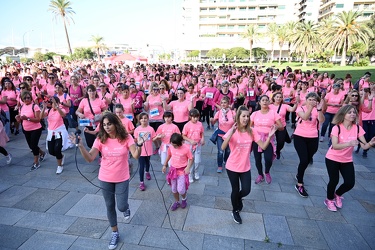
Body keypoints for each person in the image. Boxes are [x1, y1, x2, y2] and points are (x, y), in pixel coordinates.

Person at [71, 112, 148, 250]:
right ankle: (115, 232)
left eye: (109, 124)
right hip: (105, 178)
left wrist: (140, 145)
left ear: (116, 124)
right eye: (104, 125)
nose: (106, 127)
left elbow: (136, 156)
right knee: (109, 206)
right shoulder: (100, 139)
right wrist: (81, 146)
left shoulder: (126, 138)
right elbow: (90, 158)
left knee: (122, 206)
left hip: (122, 177)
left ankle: (126, 208)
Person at [221, 106, 276, 224]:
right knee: (234, 190)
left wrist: (270, 136)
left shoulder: (252, 131)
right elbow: (223, 147)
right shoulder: (233, 130)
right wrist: (231, 133)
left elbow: (263, 146)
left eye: (247, 116)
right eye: (243, 116)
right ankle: (235, 210)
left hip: (245, 166)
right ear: (238, 117)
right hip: (232, 166)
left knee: (246, 190)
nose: (246, 118)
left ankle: (238, 198)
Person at [324, 105, 375, 211]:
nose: (352, 114)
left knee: (350, 183)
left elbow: (364, 145)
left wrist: (370, 143)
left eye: (354, 112)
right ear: (343, 114)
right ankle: (329, 200)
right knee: (334, 180)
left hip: (346, 160)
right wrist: (349, 143)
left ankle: (337, 194)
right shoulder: (336, 127)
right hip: (332, 158)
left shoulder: (357, 128)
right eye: (349, 112)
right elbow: (335, 146)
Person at [294, 92, 325, 197]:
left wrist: (320, 110)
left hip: (313, 137)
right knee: (303, 160)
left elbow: (322, 120)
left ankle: (299, 173)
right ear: (306, 100)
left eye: (314, 100)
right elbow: (305, 117)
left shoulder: (318, 110)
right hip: (300, 136)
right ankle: (299, 184)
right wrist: (311, 108)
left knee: (307, 159)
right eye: (310, 99)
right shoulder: (300, 108)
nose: (312, 101)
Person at [250, 95, 283, 184]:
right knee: (257, 159)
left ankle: (267, 172)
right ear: (259, 102)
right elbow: (249, 126)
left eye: (266, 100)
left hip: (269, 139)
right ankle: (260, 174)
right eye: (263, 100)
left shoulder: (273, 113)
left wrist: (276, 126)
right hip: (257, 139)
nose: (264, 102)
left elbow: (281, 127)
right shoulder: (255, 114)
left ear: (269, 102)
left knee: (268, 159)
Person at [16, 91, 46, 171]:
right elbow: (21, 120)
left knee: (33, 145)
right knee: (31, 146)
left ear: (31, 98)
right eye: (24, 98)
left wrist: (28, 118)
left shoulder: (35, 106)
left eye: (28, 98)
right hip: (26, 129)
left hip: (36, 129)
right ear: (22, 99)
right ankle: (42, 153)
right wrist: (18, 119)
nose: (26, 99)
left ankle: (36, 162)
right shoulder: (21, 107)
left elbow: (38, 119)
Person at [162, 133, 193, 211]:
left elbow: (191, 158)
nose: (174, 147)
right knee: (174, 189)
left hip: (182, 171)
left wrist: (188, 167)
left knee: (181, 189)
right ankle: (176, 201)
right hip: (173, 170)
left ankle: (184, 199)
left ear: (181, 143)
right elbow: (169, 155)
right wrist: (165, 165)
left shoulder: (186, 148)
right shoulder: (171, 147)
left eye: (175, 145)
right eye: (173, 145)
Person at [40, 96, 68, 174]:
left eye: (55, 103)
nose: (53, 105)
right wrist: (43, 108)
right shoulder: (49, 111)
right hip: (51, 133)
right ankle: (61, 156)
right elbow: (41, 117)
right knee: (51, 151)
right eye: (52, 103)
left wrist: (57, 106)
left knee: (57, 149)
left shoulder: (61, 109)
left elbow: (63, 115)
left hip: (59, 133)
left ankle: (59, 166)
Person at [133, 112, 161, 191]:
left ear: (148, 119)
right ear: (139, 120)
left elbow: (153, 138)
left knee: (147, 162)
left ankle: (147, 172)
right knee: (141, 166)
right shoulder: (137, 129)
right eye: (142, 118)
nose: (143, 120)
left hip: (148, 149)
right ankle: (141, 182)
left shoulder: (150, 129)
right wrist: (136, 142)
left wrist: (157, 137)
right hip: (140, 151)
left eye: (145, 118)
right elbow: (135, 139)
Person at [76, 84, 107, 149]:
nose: (92, 92)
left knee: (100, 142)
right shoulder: (84, 101)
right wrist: (80, 114)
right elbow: (77, 111)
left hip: (98, 125)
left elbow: (106, 111)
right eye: (90, 91)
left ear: (96, 92)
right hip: (88, 125)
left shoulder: (99, 101)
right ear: (87, 92)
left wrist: (100, 115)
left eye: (93, 91)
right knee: (90, 143)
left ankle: (101, 155)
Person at [210, 96, 235, 173]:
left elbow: (236, 123)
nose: (223, 104)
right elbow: (213, 123)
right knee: (220, 151)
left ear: (228, 103)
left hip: (229, 136)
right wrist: (211, 121)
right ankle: (220, 165)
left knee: (227, 151)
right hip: (220, 135)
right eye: (222, 103)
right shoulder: (218, 113)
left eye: (225, 102)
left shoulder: (233, 112)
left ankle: (225, 160)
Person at [270, 92, 298, 159]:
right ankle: (271, 152)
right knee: (269, 141)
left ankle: (278, 150)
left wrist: (295, 104)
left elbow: (292, 109)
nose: (278, 98)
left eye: (280, 97)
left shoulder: (284, 106)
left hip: (281, 126)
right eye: (277, 97)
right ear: (274, 97)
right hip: (271, 126)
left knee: (281, 142)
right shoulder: (269, 106)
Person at [182, 109, 205, 183]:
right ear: (190, 117)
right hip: (189, 145)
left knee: (197, 161)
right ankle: (190, 174)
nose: (195, 119)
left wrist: (202, 139)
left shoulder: (200, 124)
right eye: (194, 117)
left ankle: (196, 171)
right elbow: (183, 135)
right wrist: (190, 140)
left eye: (197, 117)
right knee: (190, 160)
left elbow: (202, 133)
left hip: (197, 145)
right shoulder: (187, 125)